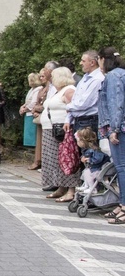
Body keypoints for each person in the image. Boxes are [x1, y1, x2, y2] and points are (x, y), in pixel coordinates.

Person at [41, 67, 78, 202]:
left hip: (61, 131)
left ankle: (70, 190)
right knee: (55, 161)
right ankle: (61, 187)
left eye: (54, 76)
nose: (52, 79)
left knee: (66, 159)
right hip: (51, 129)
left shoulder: (69, 90)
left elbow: (73, 109)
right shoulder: (59, 91)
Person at [97, 47, 125, 225]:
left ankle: (124, 206)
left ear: (103, 59)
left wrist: (114, 129)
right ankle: (122, 204)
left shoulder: (114, 75)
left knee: (122, 167)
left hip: (119, 129)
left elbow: (116, 103)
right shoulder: (120, 73)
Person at [64, 50, 104, 133]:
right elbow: (75, 99)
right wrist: (68, 119)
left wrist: (67, 107)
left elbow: (84, 103)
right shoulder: (85, 78)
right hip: (80, 120)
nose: (80, 63)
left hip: (89, 121)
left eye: (83, 61)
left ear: (92, 63)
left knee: (88, 146)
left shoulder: (97, 79)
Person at [75, 127, 109, 194]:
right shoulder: (88, 149)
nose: (77, 143)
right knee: (85, 172)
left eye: (78, 141)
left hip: (99, 169)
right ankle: (86, 185)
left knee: (87, 173)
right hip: (95, 168)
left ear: (83, 141)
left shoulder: (94, 150)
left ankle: (92, 188)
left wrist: (89, 160)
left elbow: (98, 159)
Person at [19, 72, 43, 156]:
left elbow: (33, 103)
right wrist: (22, 107)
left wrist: (25, 109)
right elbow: (27, 101)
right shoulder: (31, 89)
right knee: (29, 135)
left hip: (31, 113)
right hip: (28, 113)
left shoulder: (38, 89)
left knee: (34, 136)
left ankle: (37, 154)